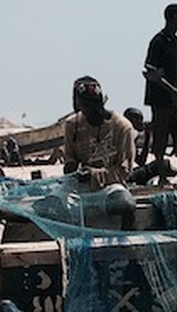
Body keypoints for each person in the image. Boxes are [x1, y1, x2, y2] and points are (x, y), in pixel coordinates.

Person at [59, 76, 139, 230]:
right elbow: (70, 158)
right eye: (84, 106)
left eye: (92, 105)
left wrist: (93, 174)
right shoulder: (72, 125)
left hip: (109, 186)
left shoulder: (122, 127)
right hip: (79, 186)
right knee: (50, 205)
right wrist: (71, 168)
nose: (89, 111)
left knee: (125, 204)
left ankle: (128, 240)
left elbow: (124, 172)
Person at [142, 3, 177, 182]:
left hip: (176, 96)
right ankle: (161, 175)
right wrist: (172, 90)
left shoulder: (175, 41)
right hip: (160, 97)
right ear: (173, 18)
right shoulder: (157, 42)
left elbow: (176, 70)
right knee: (161, 134)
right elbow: (151, 73)